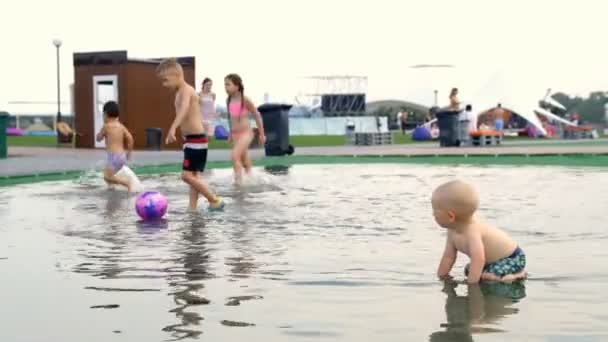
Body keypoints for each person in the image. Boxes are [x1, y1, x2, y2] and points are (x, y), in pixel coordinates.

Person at [156, 58, 224, 211]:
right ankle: (192, 208)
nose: (164, 85)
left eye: (165, 80)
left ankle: (214, 200)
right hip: (192, 140)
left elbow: (184, 109)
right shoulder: (179, 92)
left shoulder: (187, 90)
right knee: (194, 176)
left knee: (186, 176)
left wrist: (173, 128)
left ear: (177, 75)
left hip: (196, 140)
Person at [432, 180, 527, 284]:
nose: (433, 215)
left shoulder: (472, 232)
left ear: (450, 216)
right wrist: (441, 277)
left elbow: (479, 259)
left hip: (513, 258)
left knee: (487, 276)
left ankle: (518, 275)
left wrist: (471, 284)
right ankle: (495, 274)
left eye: (435, 211)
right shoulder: (452, 231)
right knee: (469, 270)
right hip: (491, 262)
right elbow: (448, 257)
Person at [224, 73, 266, 183]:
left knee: (234, 156)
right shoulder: (228, 100)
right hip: (235, 135)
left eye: (228, 85)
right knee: (244, 160)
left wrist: (262, 134)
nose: (225, 88)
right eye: (225, 85)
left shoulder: (245, 100)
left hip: (246, 133)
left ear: (237, 86)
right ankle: (251, 179)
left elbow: (257, 116)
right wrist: (230, 134)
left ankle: (239, 184)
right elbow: (231, 119)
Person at [95, 101, 134, 192]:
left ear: (105, 114)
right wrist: (128, 153)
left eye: (103, 115)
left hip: (114, 157)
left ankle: (126, 183)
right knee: (108, 176)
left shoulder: (106, 126)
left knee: (107, 176)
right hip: (121, 156)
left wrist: (99, 136)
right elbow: (130, 139)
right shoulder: (121, 126)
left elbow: (99, 138)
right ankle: (112, 188)